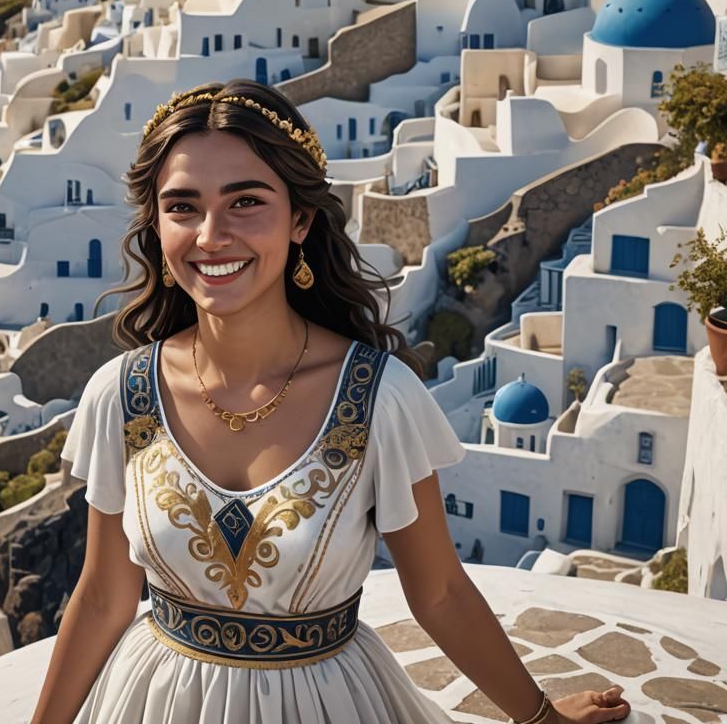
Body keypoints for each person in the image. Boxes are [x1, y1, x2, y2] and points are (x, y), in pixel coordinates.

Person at [31, 79, 632, 724]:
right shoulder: (122, 394)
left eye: (246, 202)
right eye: (183, 206)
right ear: (155, 224)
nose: (211, 235)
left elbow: (440, 592)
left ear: (301, 220)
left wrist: (539, 718)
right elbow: (102, 597)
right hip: (154, 701)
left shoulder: (379, 399)